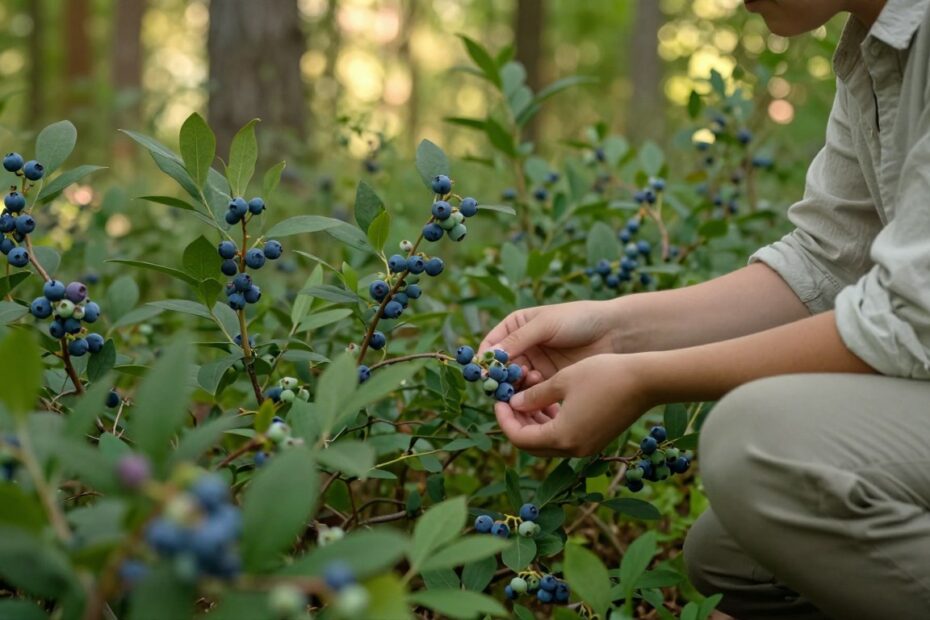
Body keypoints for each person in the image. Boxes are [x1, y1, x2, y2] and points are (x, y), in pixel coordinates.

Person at [479, 0, 930, 617]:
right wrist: (614, 334)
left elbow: (909, 319)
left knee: (757, 447)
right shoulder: (877, 48)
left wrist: (642, 381)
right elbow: (825, 264)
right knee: (730, 558)